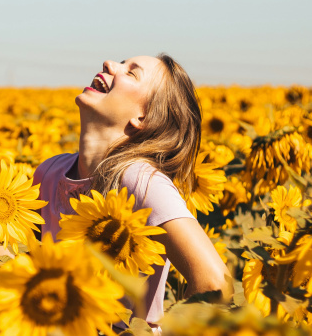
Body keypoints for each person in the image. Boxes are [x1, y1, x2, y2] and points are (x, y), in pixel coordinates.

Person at [33, 54, 232, 331]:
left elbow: (215, 283)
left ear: (143, 117)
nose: (109, 64)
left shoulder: (140, 180)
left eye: (131, 73)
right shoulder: (49, 173)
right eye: (120, 62)